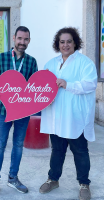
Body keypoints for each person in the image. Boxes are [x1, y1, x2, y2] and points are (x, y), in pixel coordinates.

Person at [39, 27, 97, 200]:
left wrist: (68, 84)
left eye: (69, 41)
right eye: (62, 42)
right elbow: (43, 87)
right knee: (57, 150)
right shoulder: (50, 64)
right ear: (58, 44)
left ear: (75, 43)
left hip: (75, 117)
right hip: (55, 116)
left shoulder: (84, 63)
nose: (65, 45)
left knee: (80, 151)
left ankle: (84, 183)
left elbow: (90, 84)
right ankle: (53, 179)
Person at [0, 26, 38, 200]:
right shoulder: (2, 58)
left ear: (29, 41)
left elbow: (34, 86)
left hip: (23, 112)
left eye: (26, 39)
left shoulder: (31, 62)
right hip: (3, 111)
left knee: (18, 145)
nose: (22, 42)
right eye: (20, 38)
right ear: (14, 38)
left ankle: (13, 178)